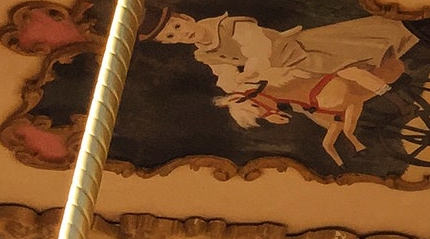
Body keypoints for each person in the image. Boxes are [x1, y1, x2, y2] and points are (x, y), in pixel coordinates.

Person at [151, 9, 412, 165]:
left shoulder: (230, 25)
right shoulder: (204, 54)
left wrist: (251, 73)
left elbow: (259, 49)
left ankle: (392, 92)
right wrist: (236, 88)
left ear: (186, 17)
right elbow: (224, 74)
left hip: (293, 53)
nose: (181, 34)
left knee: (343, 67)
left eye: (177, 26)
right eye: (172, 36)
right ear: (170, 43)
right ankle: (347, 128)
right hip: (273, 71)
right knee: (303, 105)